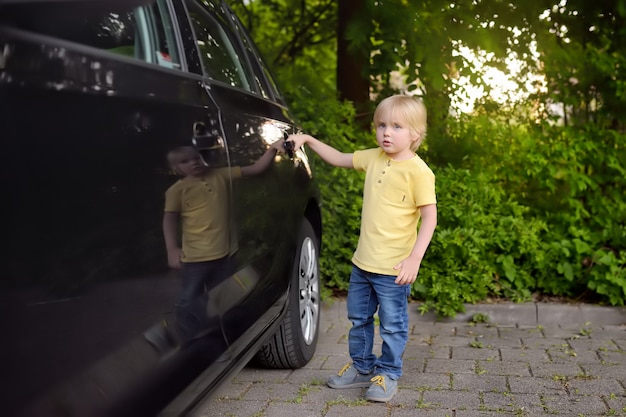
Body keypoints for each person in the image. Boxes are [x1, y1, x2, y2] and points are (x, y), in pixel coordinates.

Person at [287, 95, 437, 402]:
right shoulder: (373, 158)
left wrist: (414, 259)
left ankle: (389, 373)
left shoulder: (419, 172)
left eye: (396, 126)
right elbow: (339, 157)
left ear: (415, 134)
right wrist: (309, 140)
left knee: (393, 327)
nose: (386, 132)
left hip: (393, 270)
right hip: (363, 264)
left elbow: (430, 218)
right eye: (381, 124)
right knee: (358, 319)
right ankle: (362, 366)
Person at [162, 141, 284, 345]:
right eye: (185, 161)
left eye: (196, 157)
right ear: (176, 168)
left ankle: (220, 335)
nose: (194, 162)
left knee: (221, 297)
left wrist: (272, 149)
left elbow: (255, 169)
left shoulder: (220, 175)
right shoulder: (176, 191)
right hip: (195, 258)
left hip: (225, 254)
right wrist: (172, 249)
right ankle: (186, 337)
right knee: (189, 298)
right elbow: (169, 220)